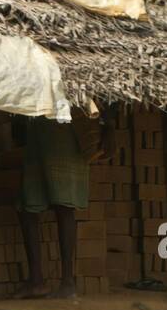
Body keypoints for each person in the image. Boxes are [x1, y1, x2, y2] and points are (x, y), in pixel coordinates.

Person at [14, 112, 103, 299]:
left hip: (63, 133)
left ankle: (62, 282)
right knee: (32, 207)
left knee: (59, 207)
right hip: (45, 135)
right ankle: (44, 281)